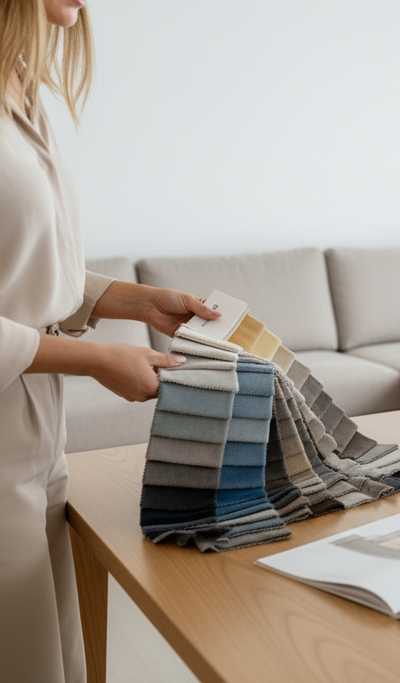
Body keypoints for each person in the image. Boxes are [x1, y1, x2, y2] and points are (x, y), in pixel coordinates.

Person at [1, 2, 221, 681]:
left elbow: (34, 270)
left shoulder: (24, 90)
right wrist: (97, 359)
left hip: (40, 434)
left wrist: (134, 301)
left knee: (59, 655)